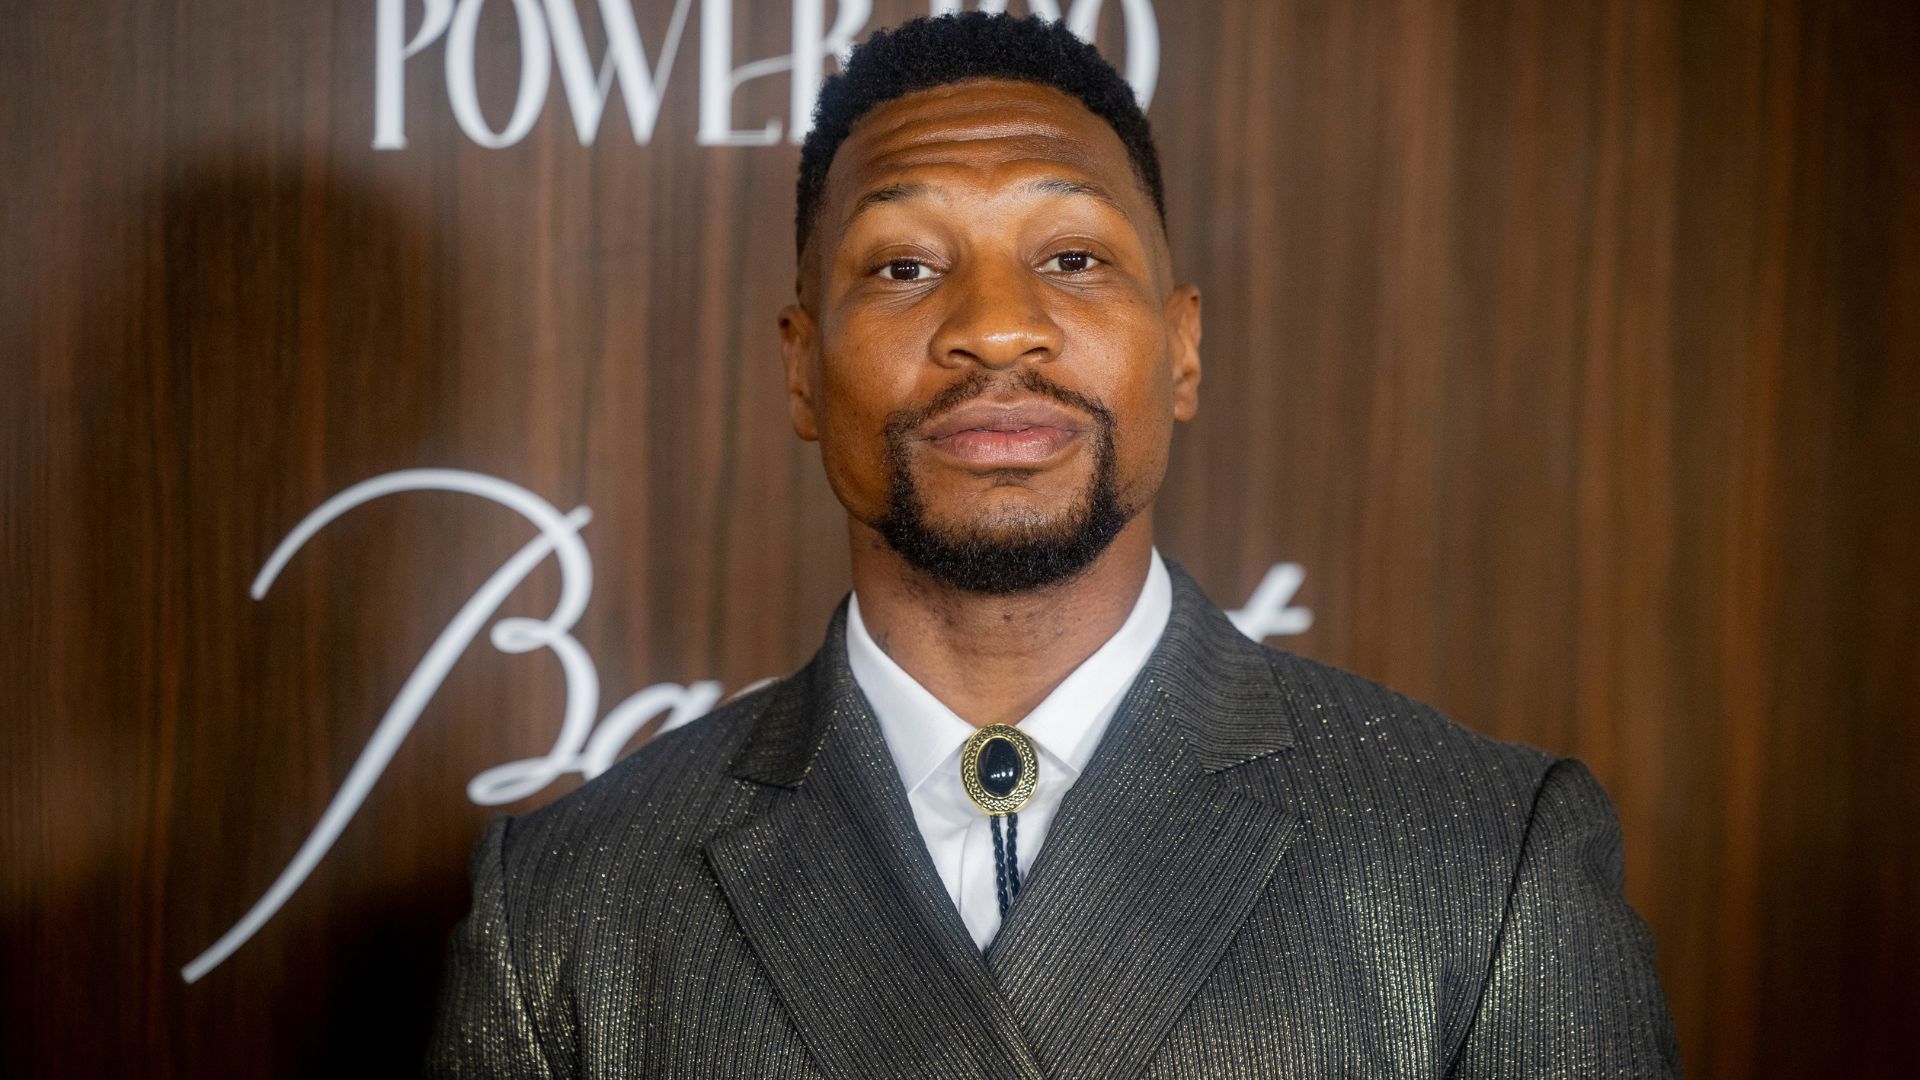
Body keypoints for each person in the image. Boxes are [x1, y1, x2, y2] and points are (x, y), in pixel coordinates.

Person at [427, 13, 1679, 1078]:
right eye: (907, 265)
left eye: (1072, 258)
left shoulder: (1488, 857)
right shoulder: (563, 908)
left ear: (1181, 349)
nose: (997, 329)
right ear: (802, 369)